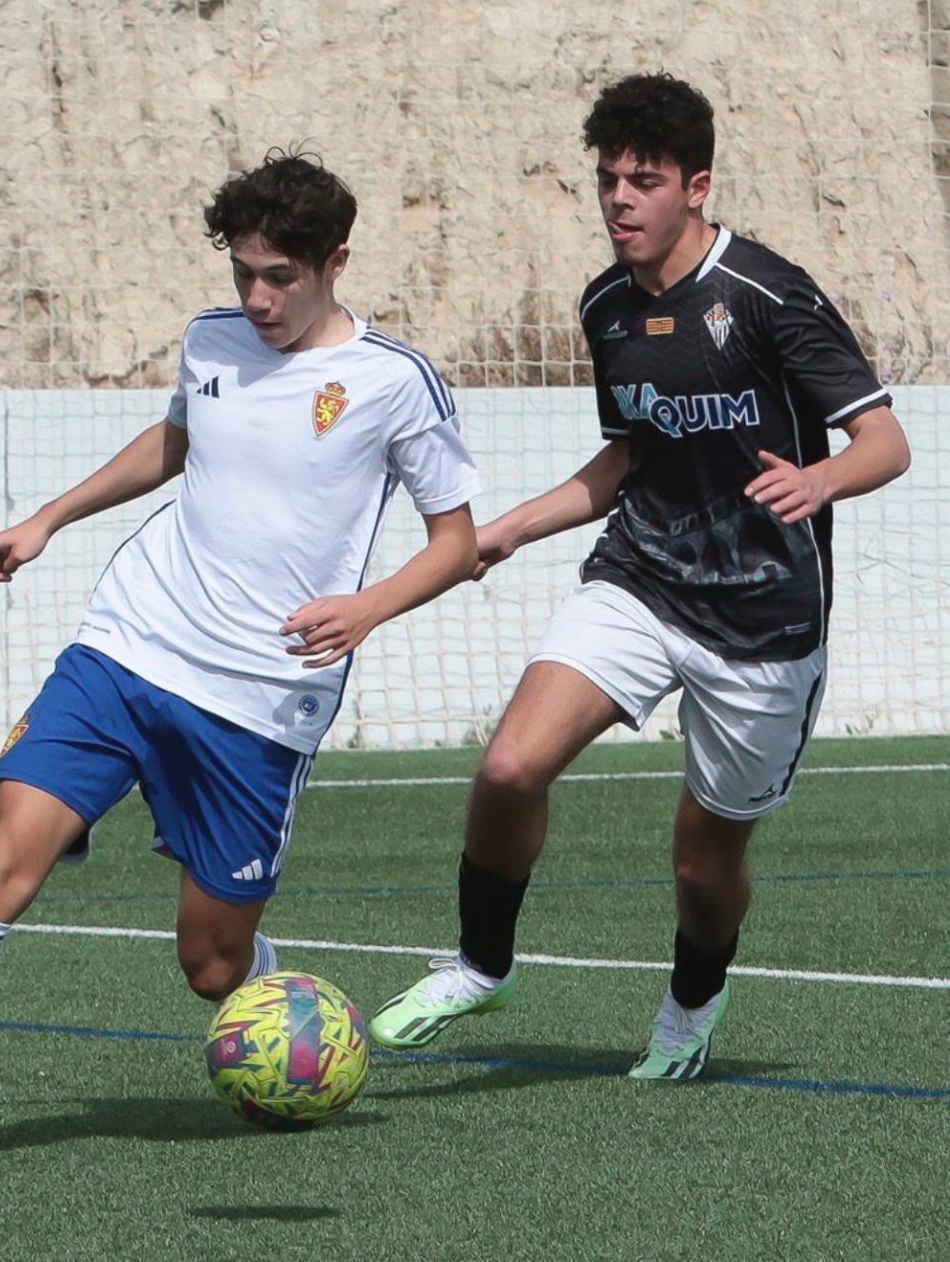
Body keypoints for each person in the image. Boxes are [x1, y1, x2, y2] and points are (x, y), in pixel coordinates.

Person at [0, 150, 480, 1171]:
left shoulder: (395, 382)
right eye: (243, 273)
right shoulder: (212, 338)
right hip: (130, 644)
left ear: (334, 261)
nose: (257, 298)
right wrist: (46, 519)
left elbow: (454, 539)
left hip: (261, 701)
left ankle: (291, 1001)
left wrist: (368, 606)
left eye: (281, 277)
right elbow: (177, 439)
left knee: (209, 962)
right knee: (5, 853)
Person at [370, 73, 911, 1080]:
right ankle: (482, 962)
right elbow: (627, 458)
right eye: (608, 180)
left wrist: (820, 477)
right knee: (506, 768)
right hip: (641, 577)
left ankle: (690, 1002)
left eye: (643, 181)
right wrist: (513, 528)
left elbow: (884, 440)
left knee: (703, 866)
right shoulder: (606, 306)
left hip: (762, 622)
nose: (620, 200)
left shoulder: (767, 295)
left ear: (695, 187)